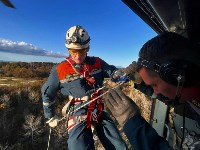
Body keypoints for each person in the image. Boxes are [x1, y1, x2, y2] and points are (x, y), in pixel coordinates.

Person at [105, 32, 200, 150]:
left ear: (178, 75)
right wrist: (139, 82)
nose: (156, 91)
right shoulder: (186, 96)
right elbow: (167, 96)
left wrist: (132, 123)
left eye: (155, 84)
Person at [41, 25, 128, 150]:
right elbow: (47, 92)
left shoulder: (97, 63)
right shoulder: (60, 69)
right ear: (68, 50)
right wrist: (50, 116)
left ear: (87, 48)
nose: (77, 56)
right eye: (73, 51)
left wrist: (122, 76)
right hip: (78, 111)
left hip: (98, 110)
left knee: (119, 146)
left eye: (81, 51)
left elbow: (112, 72)